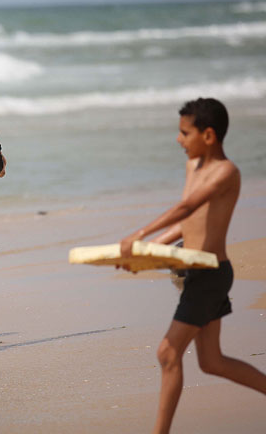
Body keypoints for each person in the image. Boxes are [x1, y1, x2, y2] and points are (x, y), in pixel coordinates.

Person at [119, 98, 266, 433]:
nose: (178, 139)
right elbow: (189, 223)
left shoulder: (226, 172)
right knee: (212, 361)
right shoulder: (193, 167)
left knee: (167, 354)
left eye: (185, 133)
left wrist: (139, 234)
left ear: (209, 135)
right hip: (191, 271)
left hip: (211, 275)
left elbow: (187, 207)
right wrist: (146, 251)